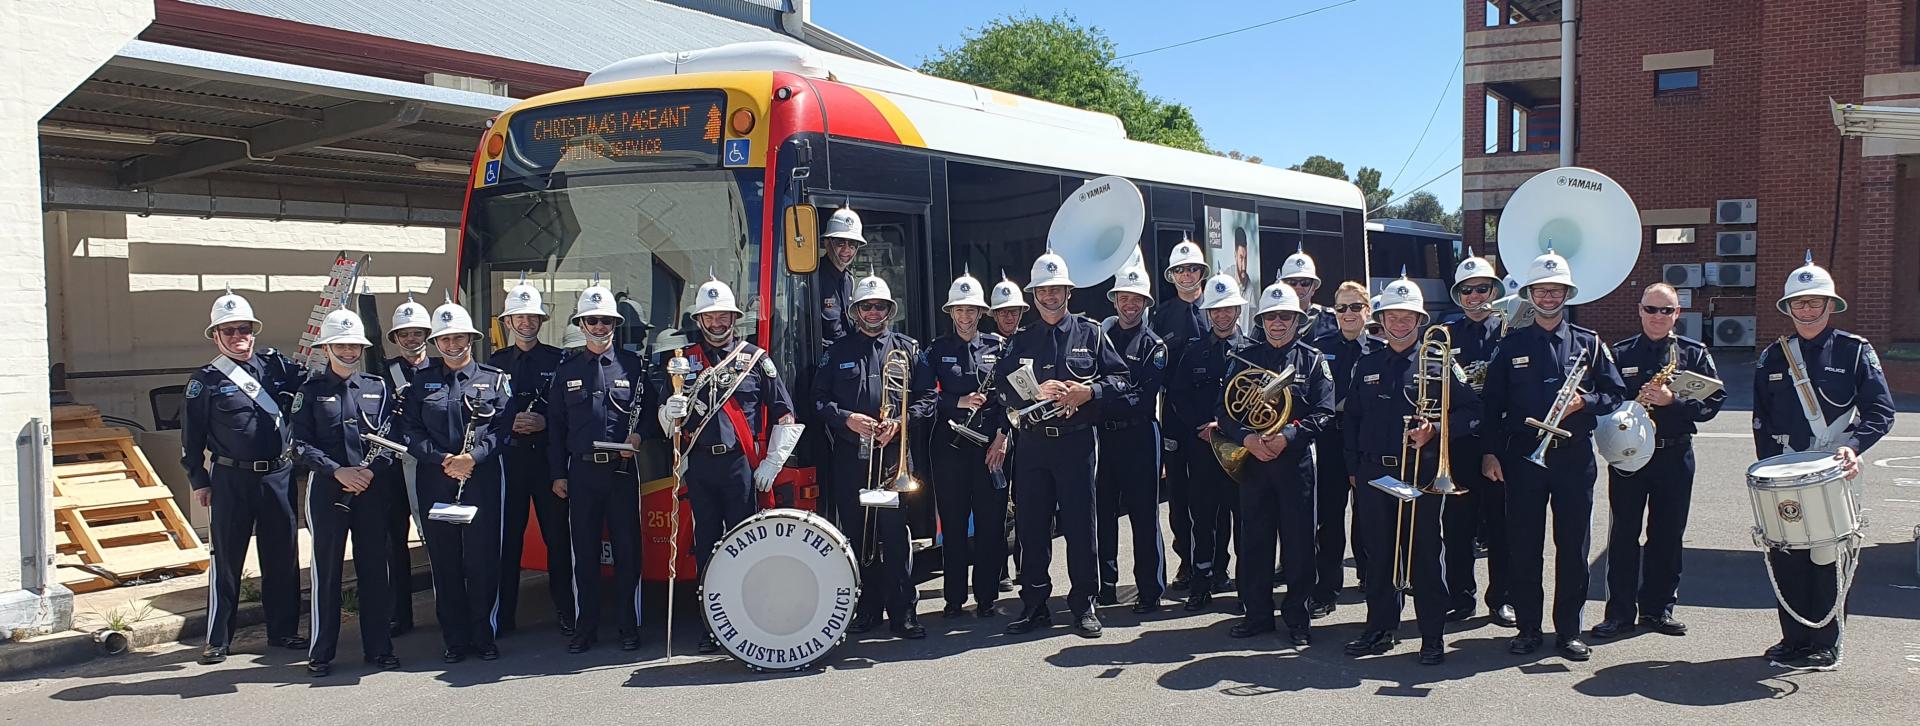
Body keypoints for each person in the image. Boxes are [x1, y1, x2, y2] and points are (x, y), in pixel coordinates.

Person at [1477, 250, 1626, 661]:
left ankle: (1568, 631)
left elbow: (1615, 394)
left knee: (1573, 547)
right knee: (1524, 545)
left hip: (1573, 459)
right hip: (1523, 457)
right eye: (1541, 290)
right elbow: (1492, 404)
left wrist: (1586, 400)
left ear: (1566, 293)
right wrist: (1490, 453)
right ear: (1530, 293)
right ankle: (1528, 627)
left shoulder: (1590, 344)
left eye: (1555, 289)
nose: (1548, 296)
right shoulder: (1512, 345)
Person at [1751, 253, 1893, 671]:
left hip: (1835, 466)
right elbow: (1761, 420)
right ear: (1788, 308)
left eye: (1816, 302)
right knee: (1786, 554)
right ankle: (1794, 638)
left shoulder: (1854, 351)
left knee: (1828, 557)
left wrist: (1855, 446)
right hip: (1786, 470)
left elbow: (1881, 412)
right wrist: (1770, 471)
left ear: (1831, 306)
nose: (1808, 310)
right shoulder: (1772, 358)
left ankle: (1826, 641)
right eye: (1800, 303)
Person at [1342, 278, 1479, 665]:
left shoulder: (1439, 362)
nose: (1399, 324)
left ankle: (1431, 636)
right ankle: (1379, 628)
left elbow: (1473, 413)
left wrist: (1435, 429)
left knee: (1423, 556)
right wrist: (1354, 467)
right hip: (1374, 474)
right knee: (1379, 555)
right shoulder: (1366, 364)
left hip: (1419, 474)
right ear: (1381, 320)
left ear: (1420, 320)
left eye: (1408, 317)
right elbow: (1350, 418)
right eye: (1392, 317)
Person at [659, 277, 800, 652]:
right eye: (711, 316)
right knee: (706, 546)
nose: (718, 322)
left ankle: (749, 617)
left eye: (724, 315)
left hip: (742, 466)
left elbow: (785, 413)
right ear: (700, 319)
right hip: (701, 466)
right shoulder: (681, 361)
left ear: (734, 318)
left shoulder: (756, 359)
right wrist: (668, 411)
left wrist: (773, 460)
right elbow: (665, 423)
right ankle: (712, 623)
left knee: (746, 545)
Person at [994, 251, 1129, 638]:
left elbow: (1121, 382)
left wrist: (1089, 392)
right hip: (1034, 446)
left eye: (1057, 290)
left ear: (1068, 291)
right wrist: (1035, 392)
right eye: (1043, 291)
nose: (1050, 297)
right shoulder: (1020, 340)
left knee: (1080, 526)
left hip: (1076, 446)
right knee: (1031, 527)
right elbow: (1002, 389)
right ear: (1034, 295)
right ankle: (1034, 604)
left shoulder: (1092, 333)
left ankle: (1083, 604)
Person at [1590, 282, 1725, 642]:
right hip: (1629, 458)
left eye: (1667, 310)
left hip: (1674, 453)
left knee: (1667, 535)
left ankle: (1657, 609)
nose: (1658, 317)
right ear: (1640, 310)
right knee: (1623, 535)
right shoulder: (1620, 353)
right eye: (1652, 309)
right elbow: (1604, 398)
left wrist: (1672, 403)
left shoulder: (1693, 355)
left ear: (1677, 314)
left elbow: (1714, 403)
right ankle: (1618, 613)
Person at [183, 288, 308, 665]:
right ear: (216, 336)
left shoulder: (276, 366)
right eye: (229, 330)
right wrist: (199, 480)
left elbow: (311, 382)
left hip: (278, 475)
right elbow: (191, 437)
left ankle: (283, 630)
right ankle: (218, 637)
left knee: (282, 555)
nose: (239, 337)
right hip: (230, 479)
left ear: (254, 331)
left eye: (244, 329)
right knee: (227, 557)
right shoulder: (204, 380)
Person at [1219, 282, 1334, 645]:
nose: (1277, 323)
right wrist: (1247, 439)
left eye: (1285, 316)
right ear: (1262, 320)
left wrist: (1288, 435)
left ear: (1297, 319)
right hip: (1254, 462)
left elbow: (1325, 412)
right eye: (1270, 317)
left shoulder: (1313, 360)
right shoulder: (1242, 358)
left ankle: (1298, 617)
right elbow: (1224, 413)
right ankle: (1257, 614)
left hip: (1294, 463)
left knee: (1299, 543)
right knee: (1254, 541)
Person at [401, 297, 513, 663]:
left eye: (459, 337)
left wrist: (472, 458)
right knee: (445, 561)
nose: (452, 345)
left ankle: (483, 633)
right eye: (445, 339)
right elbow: (410, 433)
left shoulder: (493, 379)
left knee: (481, 561)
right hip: (437, 481)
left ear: (471, 338)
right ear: (436, 343)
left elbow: (502, 431)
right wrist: (444, 459)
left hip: (480, 481)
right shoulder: (420, 382)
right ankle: (454, 638)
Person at [814, 275, 925, 639]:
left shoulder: (907, 348)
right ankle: (866, 608)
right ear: (855, 311)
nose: (873, 312)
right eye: (867, 306)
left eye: (880, 306)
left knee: (894, 535)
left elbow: (929, 399)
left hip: (892, 458)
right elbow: (817, 400)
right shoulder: (837, 352)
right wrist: (847, 418)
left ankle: (904, 613)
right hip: (852, 458)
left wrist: (900, 421)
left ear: (889, 311)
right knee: (858, 535)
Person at [289, 309, 399, 676]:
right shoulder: (310, 391)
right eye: (342, 345)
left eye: (354, 345)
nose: (349, 351)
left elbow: (391, 438)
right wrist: (338, 471)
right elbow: (299, 445)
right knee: (327, 572)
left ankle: (379, 648)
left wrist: (369, 471)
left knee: (374, 569)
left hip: (370, 489)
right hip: (328, 490)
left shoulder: (377, 387)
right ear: (328, 347)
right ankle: (321, 651)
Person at [545, 284, 648, 653]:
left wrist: (638, 438)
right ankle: (584, 627)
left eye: (605, 320)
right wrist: (558, 473)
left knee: (627, 551)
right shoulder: (567, 369)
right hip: (582, 474)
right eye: (593, 320)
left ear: (614, 324)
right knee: (584, 554)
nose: (599, 326)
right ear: (581, 323)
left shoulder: (634, 366)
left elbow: (649, 416)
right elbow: (555, 427)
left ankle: (628, 626)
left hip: (621, 473)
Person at [910, 271, 1009, 619]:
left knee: (990, 523)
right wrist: (957, 401)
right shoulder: (936, 350)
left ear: (981, 312)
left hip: (989, 449)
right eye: (959, 311)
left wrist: (1002, 437)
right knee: (952, 525)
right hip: (949, 449)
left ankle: (987, 598)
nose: (965, 317)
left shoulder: (998, 347)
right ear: (951, 313)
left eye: (971, 311)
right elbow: (923, 399)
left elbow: (1010, 400)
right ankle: (953, 599)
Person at [490, 279, 572, 637]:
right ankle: (503, 617)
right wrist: (511, 422)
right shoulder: (494, 364)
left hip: (546, 462)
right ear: (507, 322)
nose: (526, 323)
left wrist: (543, 421)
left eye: (532, 317)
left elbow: (570, 413)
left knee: (558, 539)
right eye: (519, 317)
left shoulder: (558, 360)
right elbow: (486, 414)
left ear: (541, 320)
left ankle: (567, 612)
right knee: (507, 542)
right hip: (509, 462)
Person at [1164, 274, 1250, 611]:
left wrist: (1227, 425)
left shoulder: (1252, 351)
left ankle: (1246, 588)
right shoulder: (1195, 351)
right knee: (1202, 518)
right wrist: (1201, 426)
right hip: (1203, 448)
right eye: (1216, 311)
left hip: (1242, 449)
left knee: (1243, 520)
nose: (1222, 315)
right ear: (1209, 314)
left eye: (1228, 309)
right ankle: (1201, 583)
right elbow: (1178, 395)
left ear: (1237, 311)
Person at [1439, 252, 1513, 626]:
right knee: (1457, 526)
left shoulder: (1509, 331)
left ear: (1494, 290)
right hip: (1459, 444)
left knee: (1500, 526)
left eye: (1482, 289)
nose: (1474, 296)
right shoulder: (1444, 333)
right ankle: (1460, 597)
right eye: (1466, 291)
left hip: (1499, 441)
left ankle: (1500, 598)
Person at [1093, 259, 1169, 614]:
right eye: (1124, 298)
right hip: (1104, 438)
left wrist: (1100, 394)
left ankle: (1150, 590)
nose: (1130, 305)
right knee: (1103, 513)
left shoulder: (1154, 345)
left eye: (1137, 299)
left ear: (1146, 304)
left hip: (1140, 436)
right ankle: (1106, 586)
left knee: (1142, 515)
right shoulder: (1099, 339)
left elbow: (1142, 397)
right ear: (1115, 300)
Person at [1307, 281, 1381, 616]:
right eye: (1341, 308)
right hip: (1330, 437)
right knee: (1329, 517)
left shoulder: (1381, 349)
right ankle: (1327, 589)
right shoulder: (1320, 347)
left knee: (1369, 514)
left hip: (1368, 438)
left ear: (1367, 310)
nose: (1348, 314)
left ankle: (1369, 577)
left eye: (1355, 307)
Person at [1151, 241, 1209, 591]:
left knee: (1212, 495)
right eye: (1180, 270)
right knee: (1179, 496)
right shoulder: (1162, 314)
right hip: (1174, 417)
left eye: (1192, 269)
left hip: (1212, 420)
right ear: (1172, 276)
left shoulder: (1216, 307)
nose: (1187, 275)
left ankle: (1215, 563)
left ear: (1202, 272)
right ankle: (1186, 560)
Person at [378, 294, 435, 637]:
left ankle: (449, 606)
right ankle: (399, 613)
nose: (411, 340)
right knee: (392, 541)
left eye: (417, 333)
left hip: (428, 463)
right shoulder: (383, 373)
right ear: (396, 339)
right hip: (392, 464)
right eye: (404, 334)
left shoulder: (441, 370)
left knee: (438, 538)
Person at [987, 273, 1029, 592]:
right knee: (998, 504)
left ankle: (1024, 569)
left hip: (1025, 432)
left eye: (1014, 311)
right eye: (1003, 312)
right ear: (994, 315)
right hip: (997, 434)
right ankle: (999, 568)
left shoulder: (1030, 342)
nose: (1009, 317)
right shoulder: (986, 346)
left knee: (1028, 503)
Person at [816, 206, 865, 349]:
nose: (846, 249)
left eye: (852, 244)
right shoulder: (812, 278)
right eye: (840, 242)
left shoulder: (849, 280)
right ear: (827, 243)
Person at [1279, 245, 1341, 342]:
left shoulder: (1330, 319)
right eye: (1292, 282)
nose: (1298, 287)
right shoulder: (1270, 319)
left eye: (1305, 283)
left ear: (1314, 288)